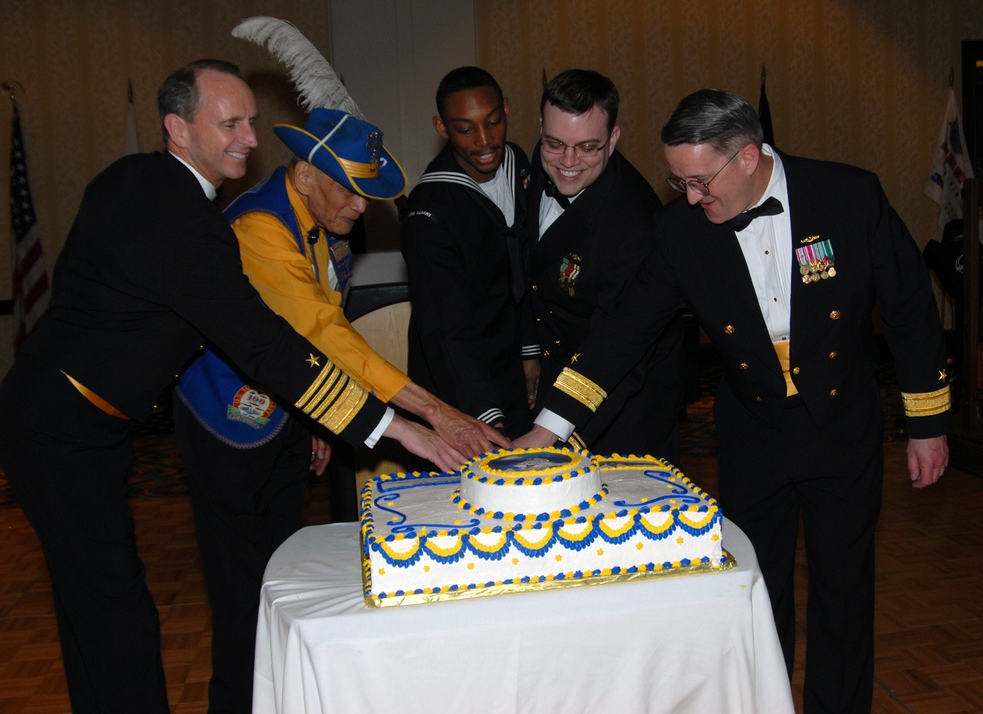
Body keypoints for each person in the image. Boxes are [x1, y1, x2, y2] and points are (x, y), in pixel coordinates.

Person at [0, 59, 504, 714]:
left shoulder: (135, 181)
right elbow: (271, 346)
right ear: (178, 128)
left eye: (251, 122)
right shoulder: (187, 222)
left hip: (68, 416)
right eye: (229, 123)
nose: (249, 138)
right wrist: (400, 427)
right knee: (119, 614)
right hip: (63, 426)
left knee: (91, 606)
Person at [520, 87, 950, 713]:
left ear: (748, 157)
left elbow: (911, 309)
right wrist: (550, 429)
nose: (689, 197)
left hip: (842, 425)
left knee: (844, 592)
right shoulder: (679, 232)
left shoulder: (849, 196)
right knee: (755, 592)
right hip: (754, 433)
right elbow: (621, 335)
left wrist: (928, 424)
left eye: (698, 181)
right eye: (678, 182)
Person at [174, 106, 510, 713]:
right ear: (305, 174)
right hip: (229, 422)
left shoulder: (320, 218)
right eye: (350, 192)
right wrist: (435, 413)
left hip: (288, 411)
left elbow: (306, 339)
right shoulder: (259, 229)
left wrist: (313, 419)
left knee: (277, 577)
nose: (360, 209)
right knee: (241, 592)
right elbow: (327, 334)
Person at [523, 68, 685, 460]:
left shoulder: (634, 224)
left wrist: (554, 431)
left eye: (587, 147)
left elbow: (616, 345)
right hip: (557, 367)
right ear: (541, 129)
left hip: (624, 394)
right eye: (554, 143)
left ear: (613, 139)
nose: (568, 161)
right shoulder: (543, 160)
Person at [402, 66, 534, 438]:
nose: (484, 140)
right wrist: (482, 413)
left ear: (506, 109)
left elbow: (527, 268)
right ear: (442, 128)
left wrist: (530, 350)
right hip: (458, 377)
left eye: (493, 122)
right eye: (465, 129)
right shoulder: (430, 210)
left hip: (512, 359)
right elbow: (447, 328)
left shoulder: (519, 164)